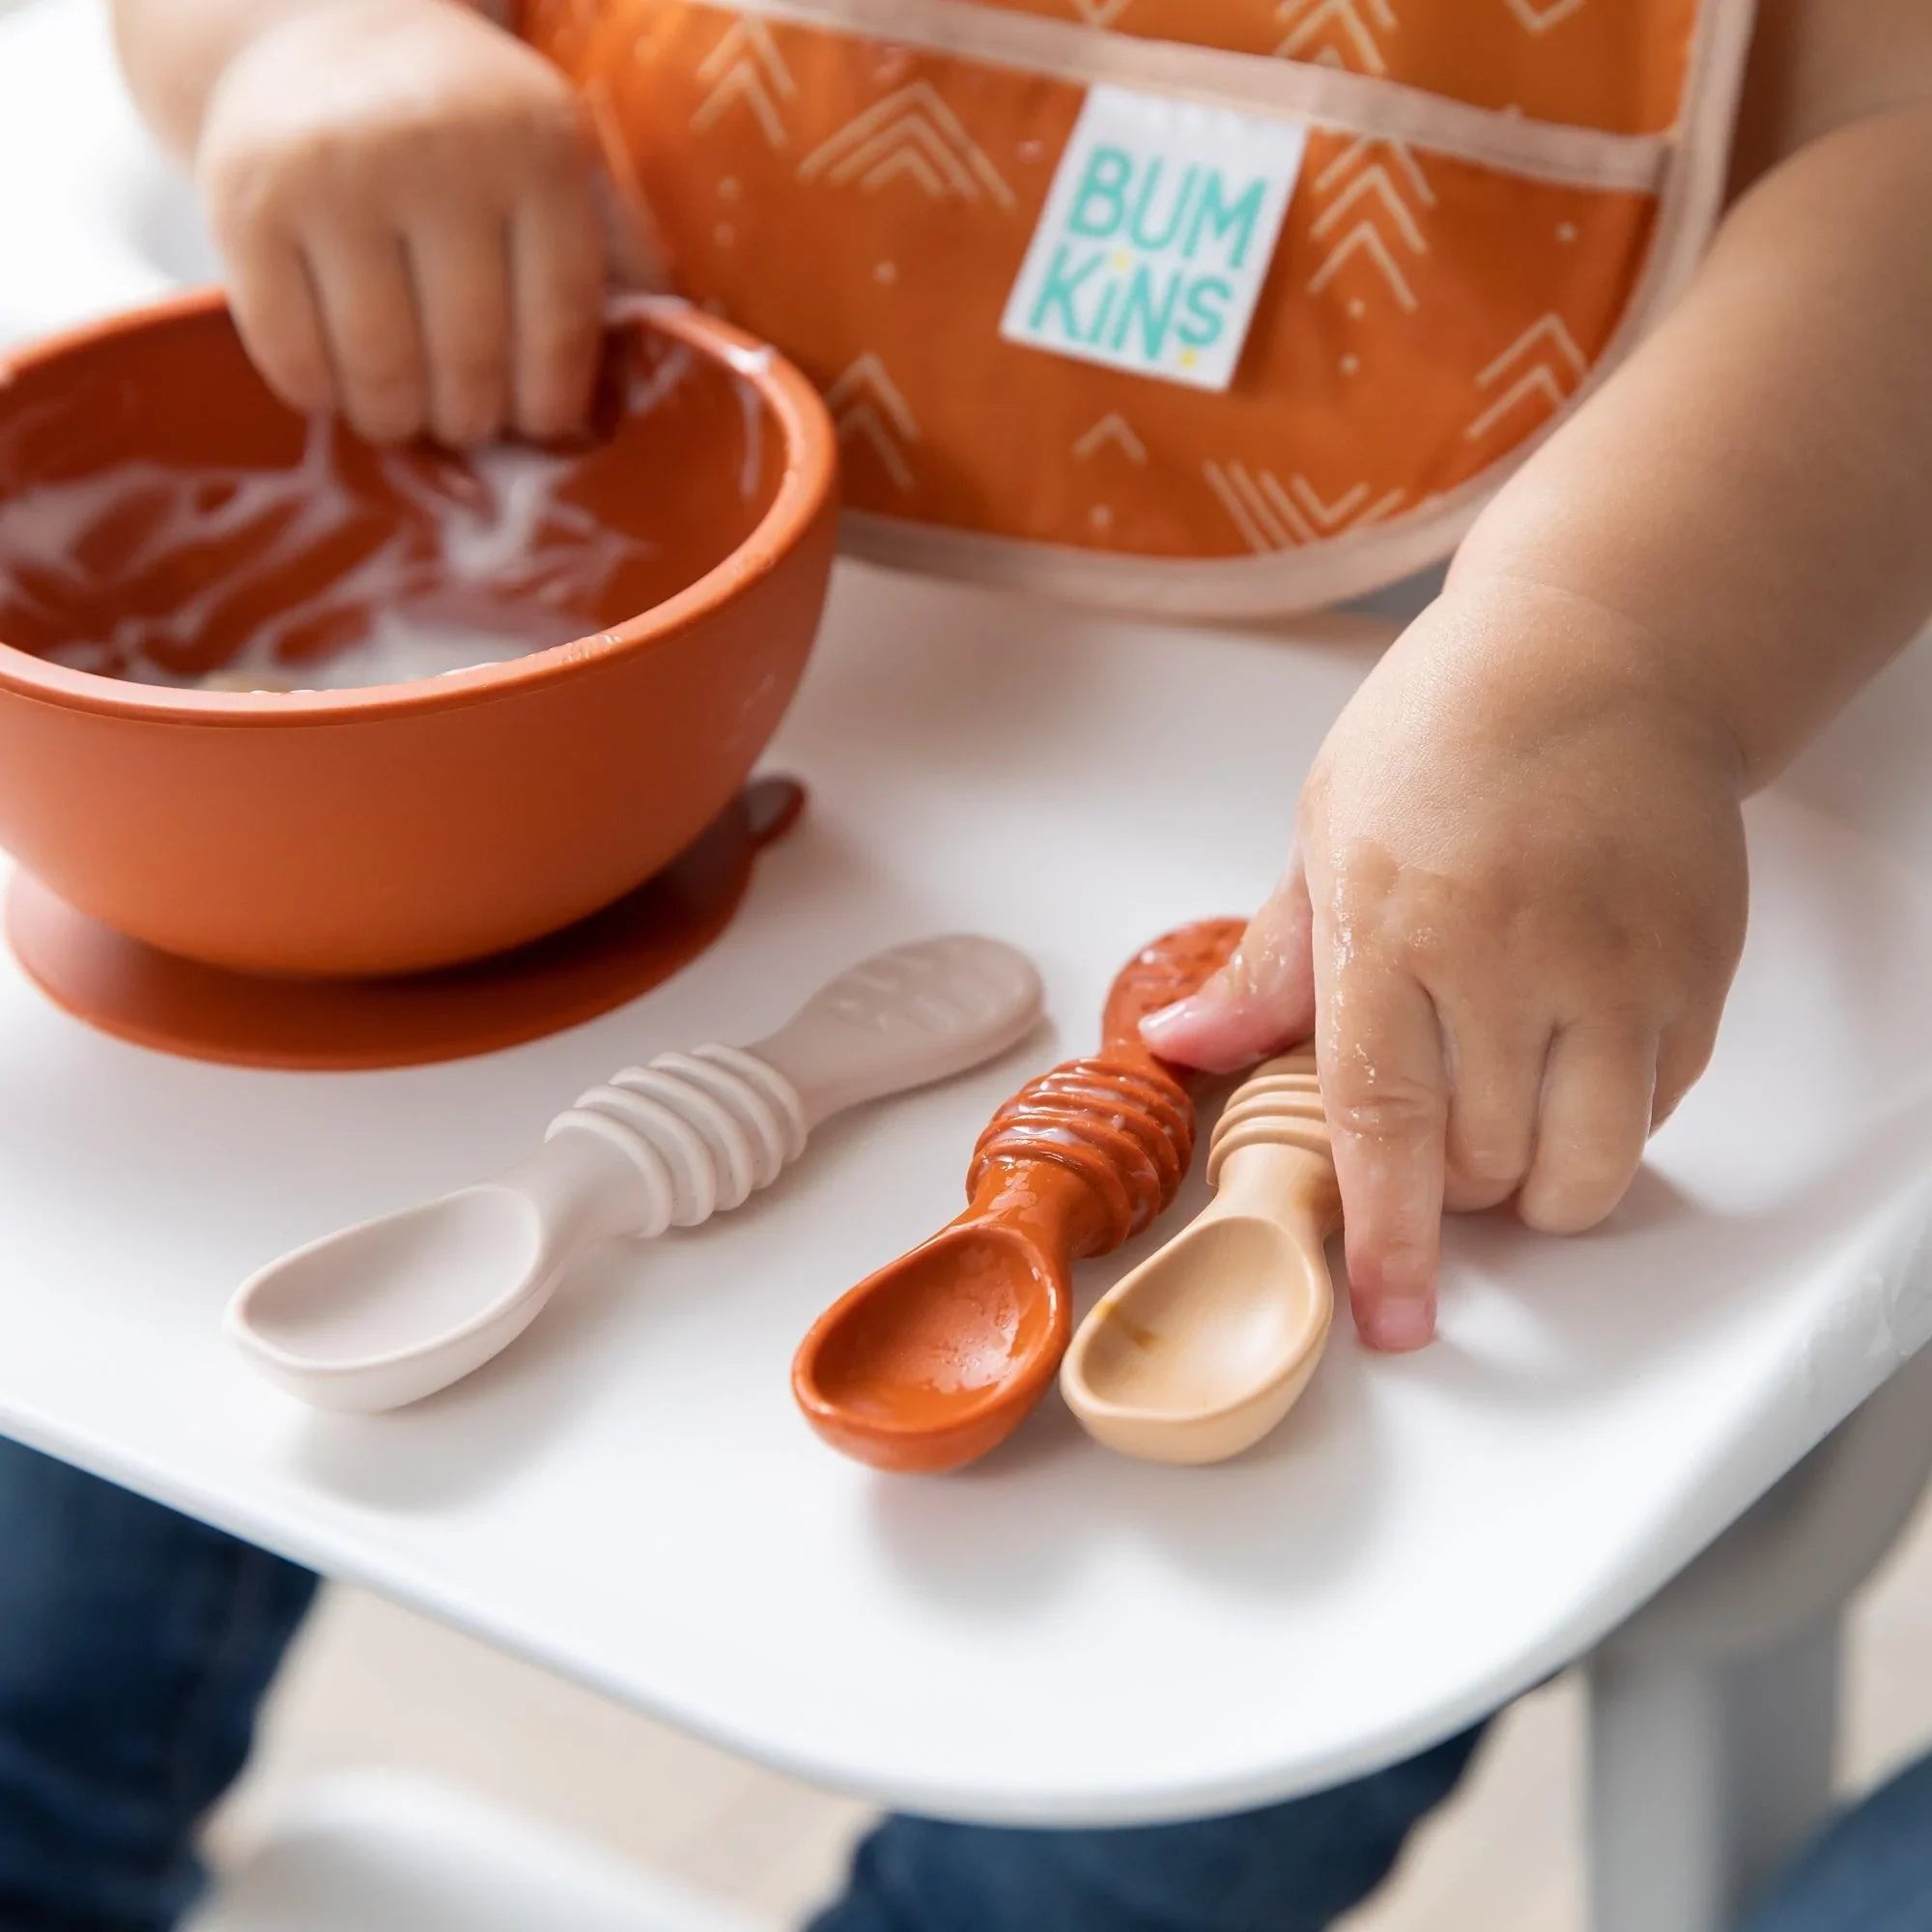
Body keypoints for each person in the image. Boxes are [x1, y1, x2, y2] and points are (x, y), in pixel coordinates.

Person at [0, 0, 1925, 1924]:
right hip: (524, 688)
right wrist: (297, 48)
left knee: (1166, 1691)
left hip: (1405, 836)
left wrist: (1607, 651)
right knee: (85, 1426)